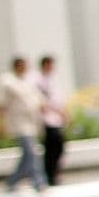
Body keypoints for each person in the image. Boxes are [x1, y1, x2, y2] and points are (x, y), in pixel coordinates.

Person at [0, 55, 47, 195]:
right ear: (17, 66)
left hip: (31, 123)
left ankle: (12, 180)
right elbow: (1, 105)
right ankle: (39, 182)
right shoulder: (7, 82)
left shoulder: (27, 82)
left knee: (27, 155)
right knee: (32, 152)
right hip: (18, 123)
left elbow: (38, 100)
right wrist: (1, 124)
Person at [31, 54, 68, 186]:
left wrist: (64, 112)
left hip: (56, 118)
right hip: (46, 119)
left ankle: (52, 175)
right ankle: (48, 176)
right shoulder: (38, 80)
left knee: (58, 147)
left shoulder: (53, 79)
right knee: (52, 147)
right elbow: (44, 101)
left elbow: (58, 98)